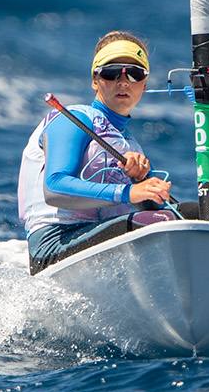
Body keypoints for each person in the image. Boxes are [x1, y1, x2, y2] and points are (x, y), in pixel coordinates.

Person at [18, 32, 197, 274]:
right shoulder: (74, 119)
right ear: (95, 80)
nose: (123, 82)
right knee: (160, 223)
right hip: (54, 245)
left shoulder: (131, 145)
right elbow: (55, 188)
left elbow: (156, 206)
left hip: (103, 237)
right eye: (112, 73)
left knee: (199, 214)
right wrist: (128, 192)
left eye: (134, 73)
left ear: (144, 84)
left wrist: (141, 181)